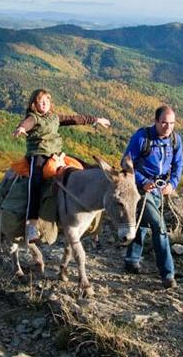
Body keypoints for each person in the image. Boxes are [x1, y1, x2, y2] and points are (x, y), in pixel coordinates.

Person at [12, 88, 110, 244]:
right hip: (38, 155)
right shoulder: (33, 117)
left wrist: (96, 120)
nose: (43, 104)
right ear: (34, 104)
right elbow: (28, 122)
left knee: (83, 167)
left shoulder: (55, 117)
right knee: (35, 183)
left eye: (46, 101)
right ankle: (31, 224)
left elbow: (75, 119)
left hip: (56, 154)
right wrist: (22, 128)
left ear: (50, 103)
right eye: (40, 101)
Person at [122, 105, 183, 289]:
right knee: (159, 226)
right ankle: (167, 273)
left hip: (160, 190)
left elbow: (178, 164)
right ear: (156, 121)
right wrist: (141, 181)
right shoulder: (142, 137)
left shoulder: (175, 140)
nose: (168, 127)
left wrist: (172, 183)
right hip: (140, 191)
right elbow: (125, 162)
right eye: (164, 122)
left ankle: (131, 260)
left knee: (143, 223)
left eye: (171, 123)